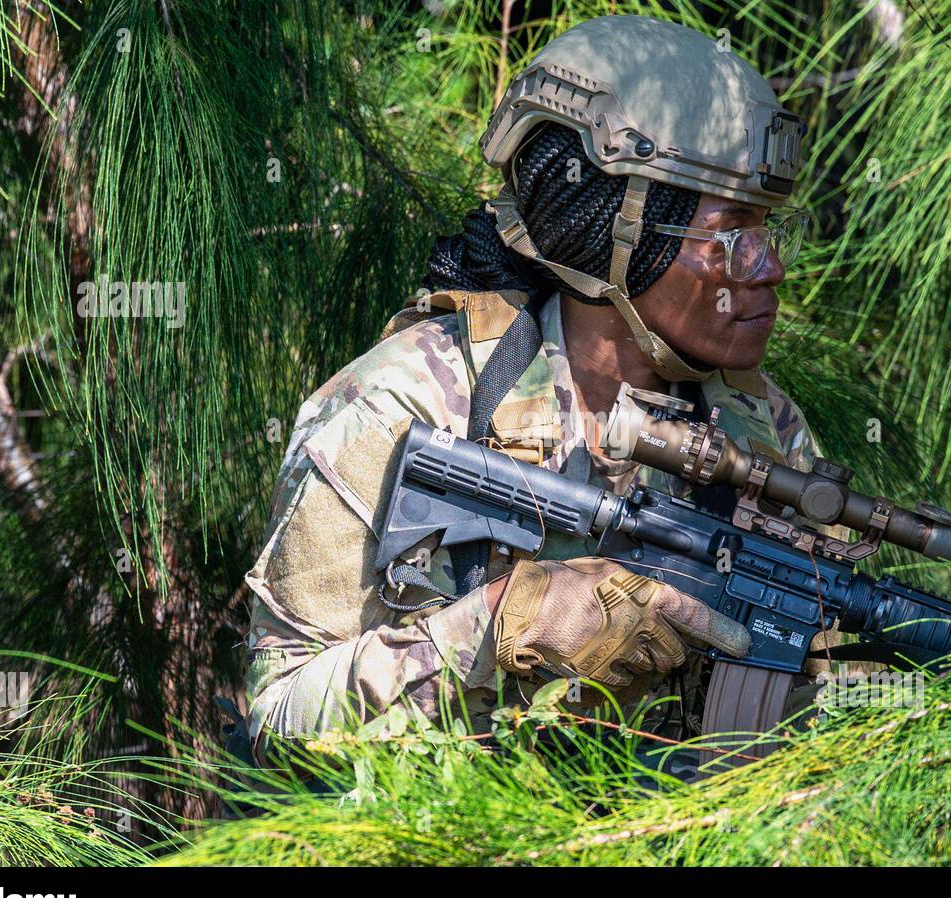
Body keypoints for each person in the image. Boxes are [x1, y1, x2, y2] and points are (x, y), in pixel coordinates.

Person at [242, 15, 895, 763]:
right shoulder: (409, 400)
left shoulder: (759, 424)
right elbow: (277, 725)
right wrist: (498, 626)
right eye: (730, 235)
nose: (769, 267)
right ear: (616, 229)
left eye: (770, 232)